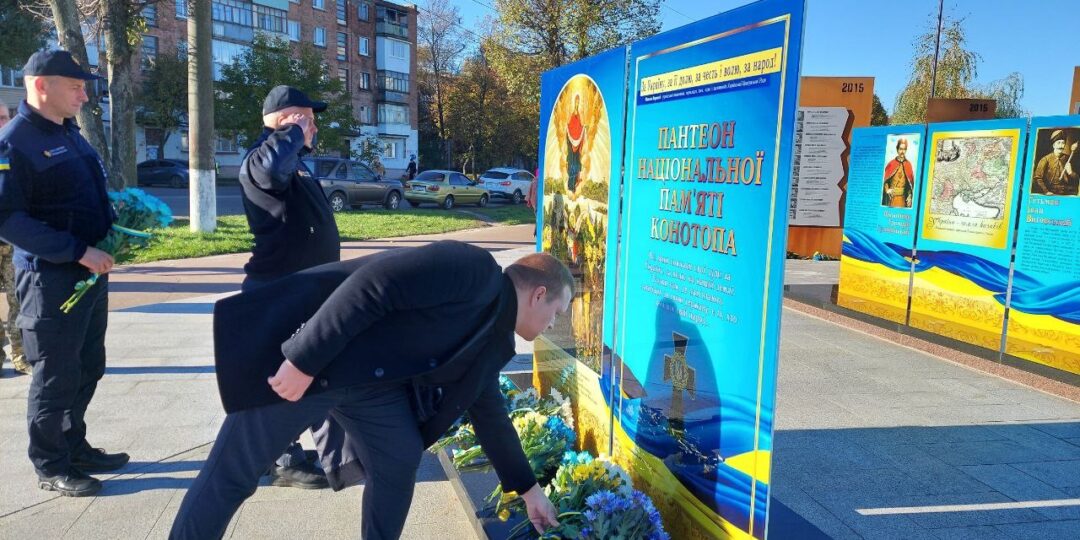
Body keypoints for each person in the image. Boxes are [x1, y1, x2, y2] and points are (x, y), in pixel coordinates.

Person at [170, 242, 569, 539]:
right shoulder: (472, 269)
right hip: (319, 363)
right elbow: (374, 284)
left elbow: (490, 415)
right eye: (557, 312)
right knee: (234, 474)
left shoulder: (495, 337)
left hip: (371, 388)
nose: (553, 324)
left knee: (399, 459)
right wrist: (302, 360)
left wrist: (528, 489)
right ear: (538, 294)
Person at [0, 50, 127, 497]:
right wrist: (77, 251)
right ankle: (51, 464)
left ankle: (75, 446)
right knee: (55, 375)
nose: (84, 95)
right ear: (41, 86)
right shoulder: (14, 142)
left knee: (88, 364)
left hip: (88, 273)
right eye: (74, 87)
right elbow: (7, 218)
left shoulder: (69, 133)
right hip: (50, 278)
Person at [237, 85, 340, 489]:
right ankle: (281, 460)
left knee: (309, 369)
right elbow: (269, 171)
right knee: (283, 375)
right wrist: (293, 132)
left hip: (303, 288)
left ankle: (303, 451)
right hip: (279, 289)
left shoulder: (292, 161)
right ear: (285, 121)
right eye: (307, 120)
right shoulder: (260, 159)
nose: (313, 128)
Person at [0, 98, 30, 378]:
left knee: (18, 300)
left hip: (12, 243)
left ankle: (22, 355)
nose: (2, 123)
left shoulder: (13, 152)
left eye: (3, 117)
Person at [1032, 130, 1079, 196]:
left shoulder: (1068, 159)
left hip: (1067, 192)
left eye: (1063, 143)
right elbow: (1037, 178)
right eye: (1058, 143)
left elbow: (1077, 180)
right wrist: (1046, 191)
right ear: (1054, 145)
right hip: (1051, 192)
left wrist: (1071, 173)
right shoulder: (1045, 159)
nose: (1061, 146)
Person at [882, 137, 914, 207]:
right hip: (892, 199)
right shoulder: (891, 164)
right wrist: (887, 190)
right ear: (897, 149)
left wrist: (910, 196)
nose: (902, 151)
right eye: (900, 149)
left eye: (904, 149)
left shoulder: (908, 165)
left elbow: (910, 186)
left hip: (903, 200)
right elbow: (885, 181)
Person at [566, 94, 587, 192]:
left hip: (577, 149)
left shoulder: (579, 116)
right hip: (572, 147)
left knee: (576, 164)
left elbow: (579, 126)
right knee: (572, 164)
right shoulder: (572, 117)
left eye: (578, 102)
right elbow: (570, 126)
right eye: (576, 101)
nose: (577, 104)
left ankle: (574, 185)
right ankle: (571, 185)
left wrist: (582, 128)